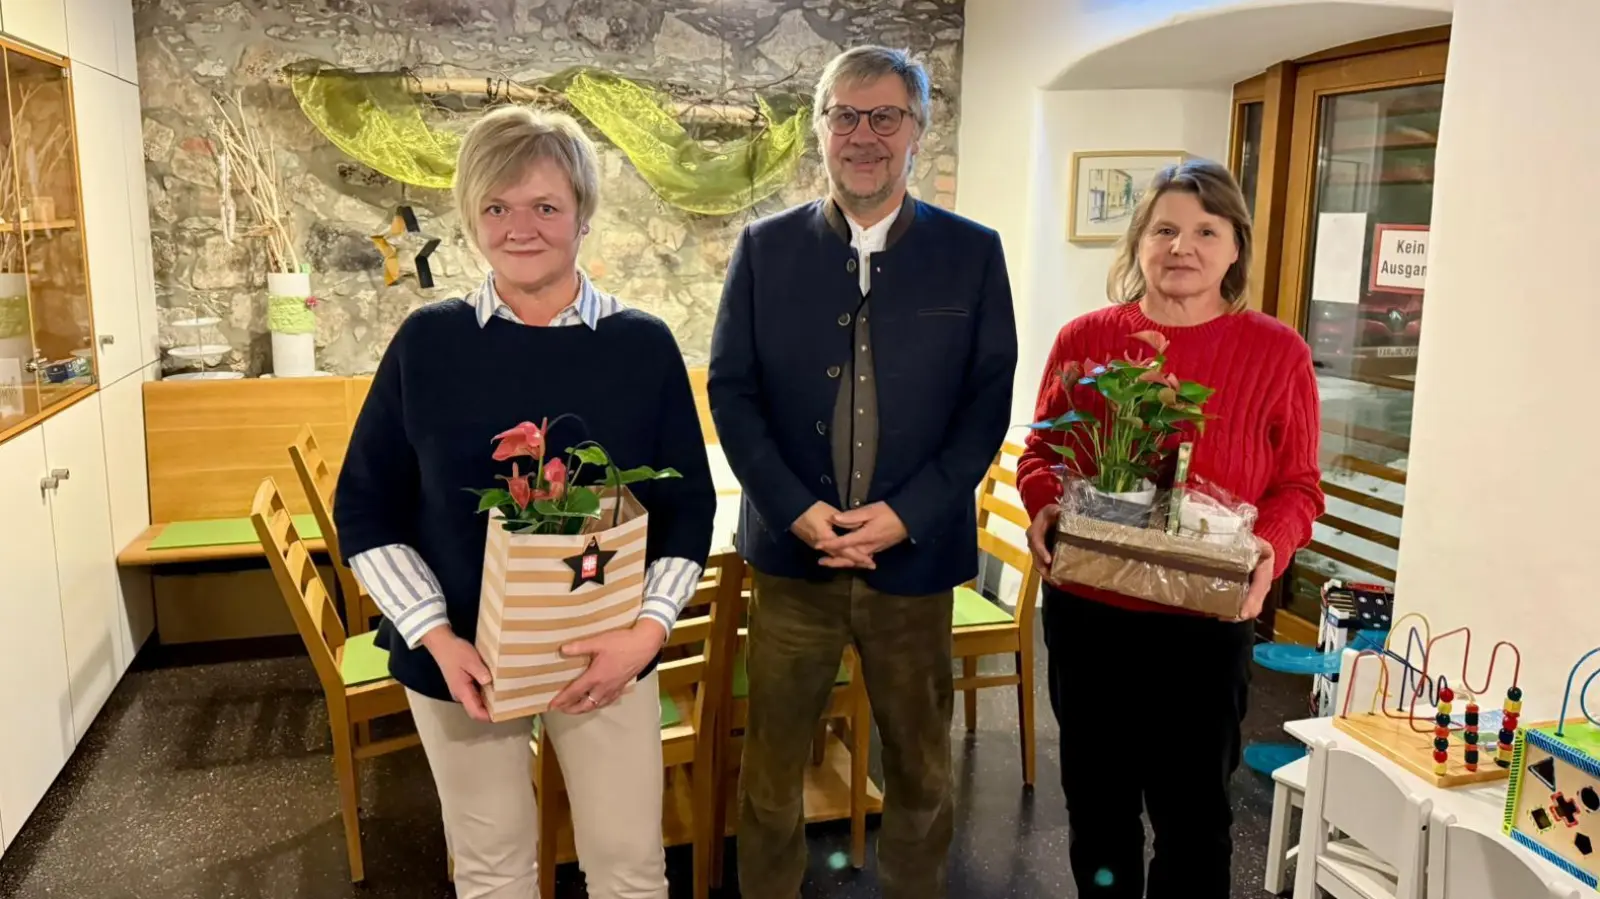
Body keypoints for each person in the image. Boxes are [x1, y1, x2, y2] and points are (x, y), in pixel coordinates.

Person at [333, 106, 715, 899]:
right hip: (461, 664)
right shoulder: (427, 343)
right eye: (496, 207)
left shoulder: (641, 346)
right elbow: (367, 509)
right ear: (472, 218)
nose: (520, 227)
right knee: (491, 867)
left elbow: (687, 512)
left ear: (582, 213)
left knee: (630, 861)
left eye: (545, 205)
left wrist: (645, 635)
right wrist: (435, 636)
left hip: (608, 652)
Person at [708, 45, 1017, 899]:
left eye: (885, 116)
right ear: (821, 130)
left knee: (922, 770)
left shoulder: (973, 254)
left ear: (919, 130)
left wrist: (908, 513)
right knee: (768, 774)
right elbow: (731, 393)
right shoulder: (764, 249)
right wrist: (794, 507)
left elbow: (985, 409)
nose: (863, 134)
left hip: (914, 570)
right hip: (792, 563)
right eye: (845, 114)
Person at [1017, 159, 1324, 899]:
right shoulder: (1087, 339)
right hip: (1092, 615)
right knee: (1097, 812)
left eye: (1204, 231)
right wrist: (1045, 503)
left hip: (1204, 624)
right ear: (1138, 242)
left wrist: (1267, 550)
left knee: (1193, 819)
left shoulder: (1276, 351)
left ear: (1234, 248)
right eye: (1164, 229)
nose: (1181, 247)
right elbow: (1043, 453)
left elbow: (1299, 487)